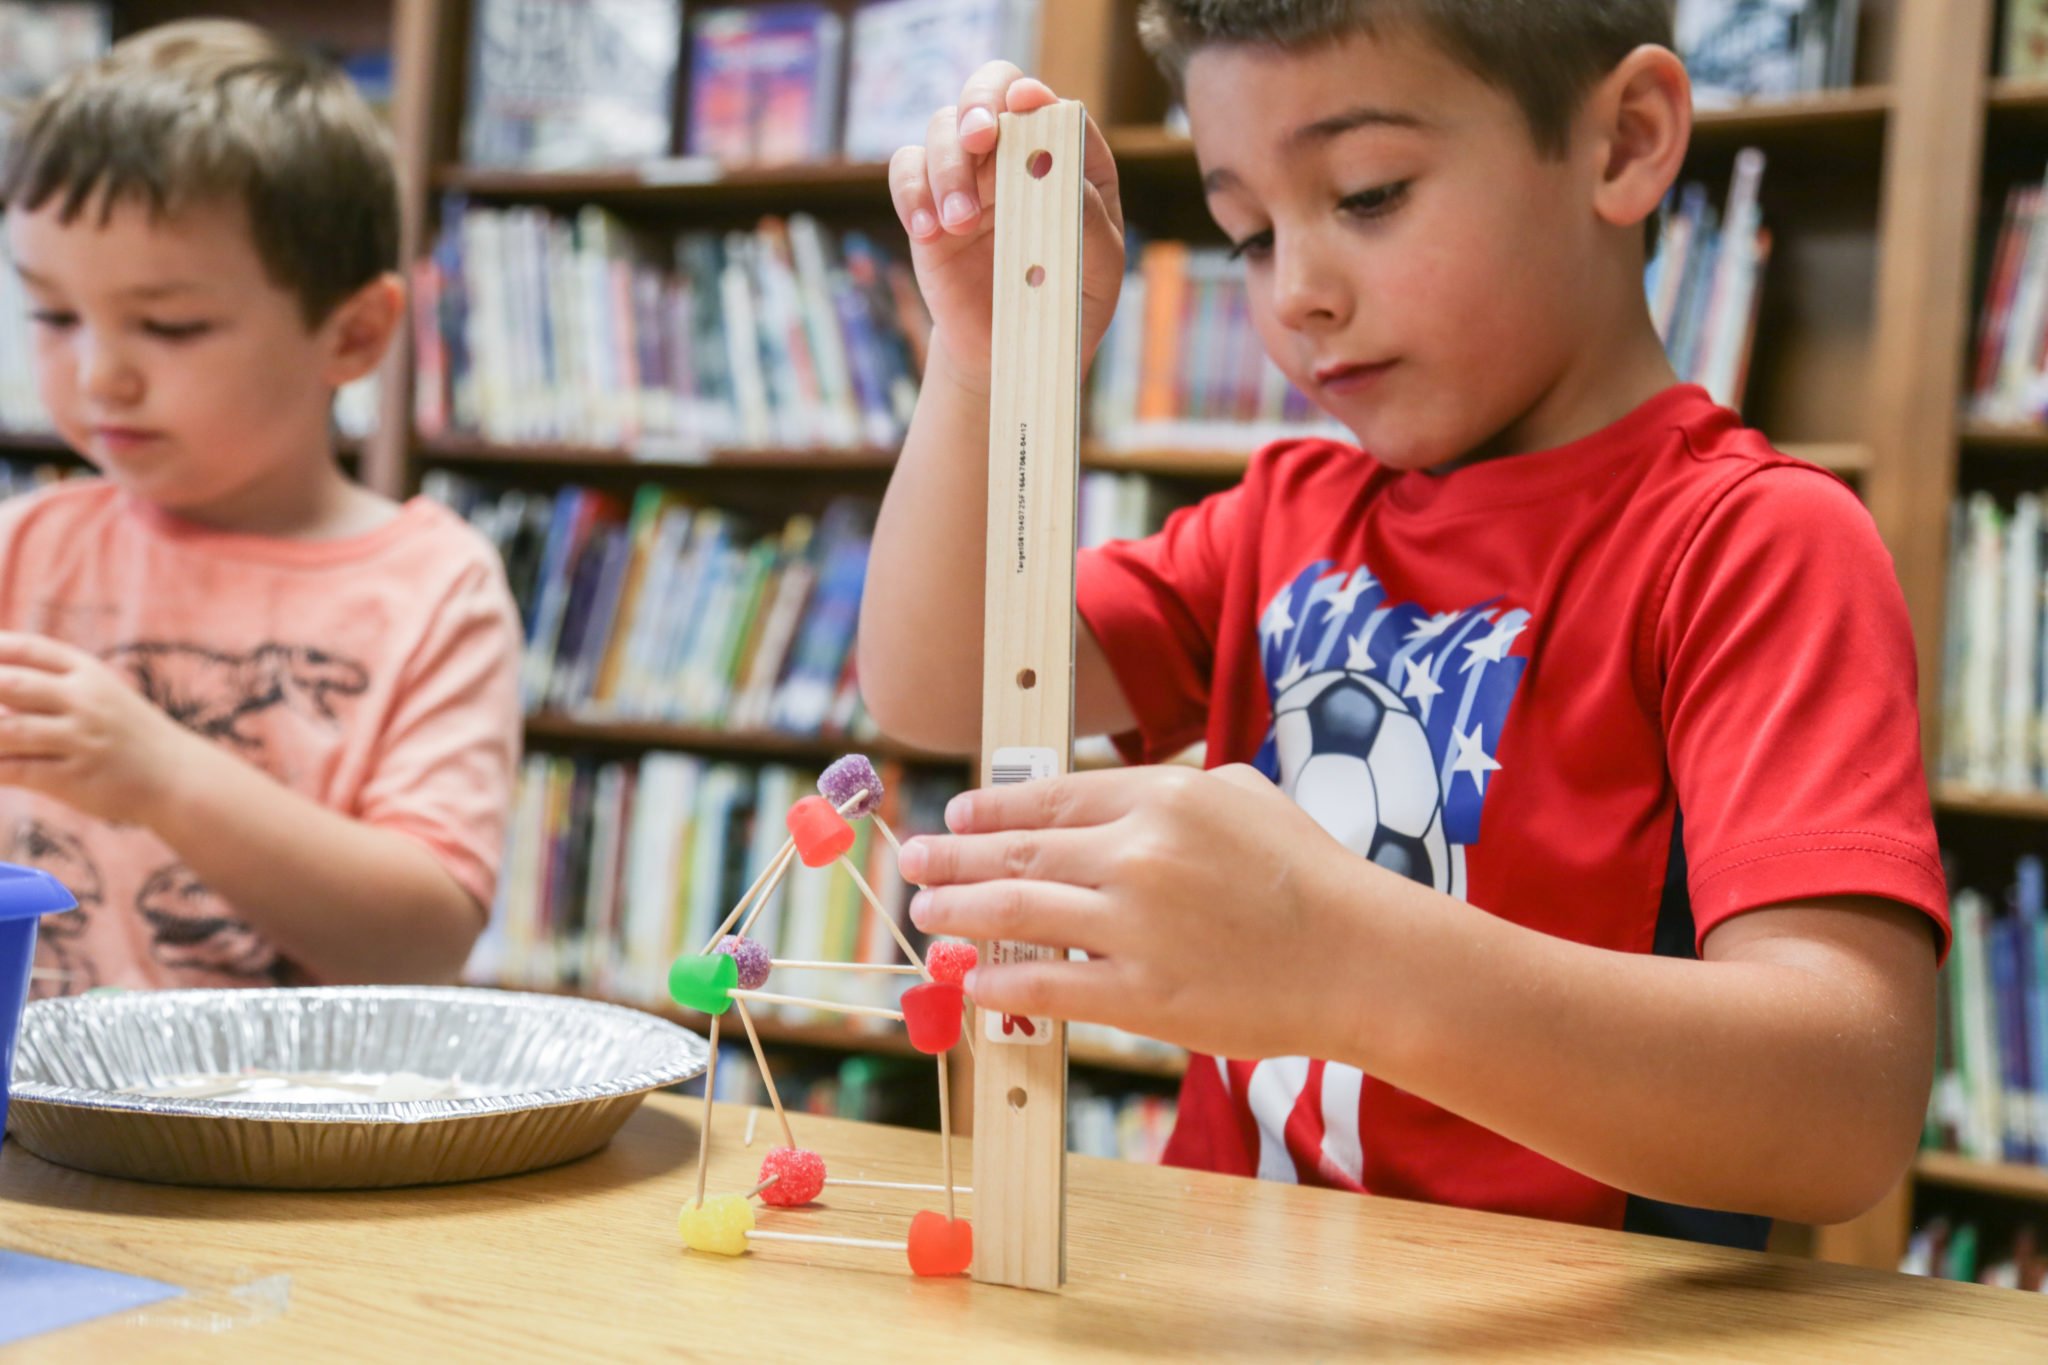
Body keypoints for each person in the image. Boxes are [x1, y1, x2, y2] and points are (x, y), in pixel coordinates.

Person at [858, 0, 1946, 1246]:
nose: (1300, 294)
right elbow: (934, 682)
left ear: (1625, 140)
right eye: (1247, 236)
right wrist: (990, 362)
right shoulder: (1277, 517)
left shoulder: (1748, 545)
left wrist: (1342, 964)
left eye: (1368, 195)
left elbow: (1844, 1110)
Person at [0, 20, 521, 997]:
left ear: (355, 333)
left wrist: (162, 772)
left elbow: (424, 939)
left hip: (279, 1139)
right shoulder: (22, 546)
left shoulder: (431, 587)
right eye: (53, 315)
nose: (98, 375)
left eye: (170, 325)